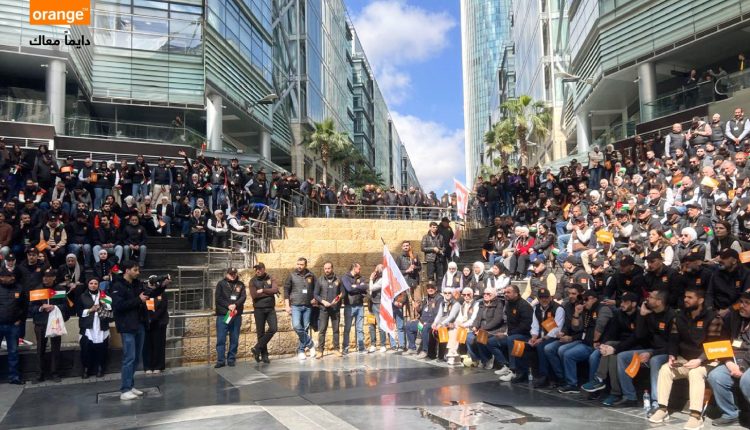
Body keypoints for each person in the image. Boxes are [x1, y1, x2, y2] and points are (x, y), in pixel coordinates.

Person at [649, 288, 722, 429]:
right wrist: (672, 355)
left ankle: (696, 416)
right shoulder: (679, 316)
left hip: (707, 361)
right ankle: (662, 409)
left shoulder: (714, 318)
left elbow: (714, 345)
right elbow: (674, 338)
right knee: (665, 369)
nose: (685, 300)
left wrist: (699, 360)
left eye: (690, 297)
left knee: (695, 373)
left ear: (700, 300)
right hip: (685, 359)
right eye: (685, 297)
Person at [706, 290, 750, 427]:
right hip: (734, 359)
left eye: (747, 303)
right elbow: (723, 341)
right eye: (741, 302)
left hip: (747, 362)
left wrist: (742, 367)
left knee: (747, 380)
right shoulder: (733, 317)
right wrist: (728, 361)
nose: (742, 305)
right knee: (715, 376)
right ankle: (731, 414)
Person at [112, 261, 149, 400]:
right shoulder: (117, 285)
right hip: (127, 325)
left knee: (136, 358)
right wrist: (138, 300)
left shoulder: (137, 284)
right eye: (135, 270)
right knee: (129, 358)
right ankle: (125, 389)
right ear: (127, 270)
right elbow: (119, 305)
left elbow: (147, 295)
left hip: (139, 323)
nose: (138, 272)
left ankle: (130, 384)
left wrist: (161, 286)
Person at [29, 268, 69, 383]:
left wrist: (54, 307)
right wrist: (41, 308)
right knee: (40, 349)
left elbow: (65, 306)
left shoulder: (60, 290)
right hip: (41, 323)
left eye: (48, 277)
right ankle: (39, 374)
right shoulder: (37, 290)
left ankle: (55, 373)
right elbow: (31, 308)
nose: (45, 279)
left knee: (56, 348)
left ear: (54, 278)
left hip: (55, 323)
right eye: (44, 276)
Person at [493, 284, 533, 383]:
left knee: (511, 340)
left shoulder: (524, 306)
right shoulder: (508, 304)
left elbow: (525, 326)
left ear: (516, 293)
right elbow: (509, 323)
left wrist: (507, 334)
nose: (506, 294)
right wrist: (505, 332)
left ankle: (514, 370)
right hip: (512, 333)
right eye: (505, 292)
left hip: (525, 335)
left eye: (508, 292)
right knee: (493, 341)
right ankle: (506, 365)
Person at [527, 287, 565, 388]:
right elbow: (534, 325)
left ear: (550, 297)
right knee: (528, 346)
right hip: (541, 336)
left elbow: (557, 328)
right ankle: (531, 374)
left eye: (546, 297)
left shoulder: (558, 308)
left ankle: (546, 376)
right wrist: (534, 337)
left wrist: (542, 339)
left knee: (542, 347)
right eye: (541, 297)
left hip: (554, 337)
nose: (544, 299)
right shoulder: (536, 308)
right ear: (538, 299)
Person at [77, 278, 112, 379]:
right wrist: (90, 310)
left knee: (102, 349)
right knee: (86, 349)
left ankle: (100, 368)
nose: (93, 285)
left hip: (101, 325)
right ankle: (86, 369)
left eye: (95, 283)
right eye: (91, 283)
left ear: (98, 285)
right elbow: (79, 312)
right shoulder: (82, 296)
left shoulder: (105, 296)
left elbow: (110, 310)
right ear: (88, 284)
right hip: (88, 327)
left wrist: (103, 306)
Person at [0, 255, 26, 385]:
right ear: (1, 277)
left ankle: (14, 377)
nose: (10, 278)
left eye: (11, 276)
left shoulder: (19, 288)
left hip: (13, 325)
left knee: (13, 352)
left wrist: (20, 319)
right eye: (7, 276)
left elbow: (24, 306)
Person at [284, 257, 316, 360]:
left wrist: (315, 298)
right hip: (296, 306)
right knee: (297, 325)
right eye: (298, 264)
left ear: (305, 265)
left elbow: (316, 289)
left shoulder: (311, 275)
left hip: (308, 306)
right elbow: (286, 290)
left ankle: (301, 351)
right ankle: (310, 344)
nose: (299, 266)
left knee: (305, 329)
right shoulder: (292, 275)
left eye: (301, 264)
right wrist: (287, 305)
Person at [466, 286, 505, 369]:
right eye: (484, 293)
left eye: (488, 294)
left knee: (480, 338)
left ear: (494, 295)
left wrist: (483, 329)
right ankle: (477, 359)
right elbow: (478, 318)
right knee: (469, 337)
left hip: (493, 329)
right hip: (481, 328)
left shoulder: (499, 304)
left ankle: (487, 359)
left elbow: (497, 320)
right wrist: (475, 326)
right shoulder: (481, 303)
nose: (485, 295)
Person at [214, 267, 246, 368]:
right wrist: (228, 306)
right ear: (227, 274)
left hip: (235, 315)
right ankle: (221, 360)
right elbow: (218, 298)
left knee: (234, 338)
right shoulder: (221, 284)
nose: (233, 275)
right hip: (224, 314)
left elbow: (243, 297)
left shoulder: (240, 284)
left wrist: (235, 305)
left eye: (234, 273)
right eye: (231, 274)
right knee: (221, 338)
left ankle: (231, 359)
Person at [249, 263, 278, 364]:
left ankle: (257, 348)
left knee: (274, 328)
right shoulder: (252, 281)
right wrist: (269, 292)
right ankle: (264, 355)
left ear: (264, 269)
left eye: (259, 269)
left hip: (270, 309)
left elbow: (275, 290)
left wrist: (263, 290)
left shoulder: (270, 278)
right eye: (256, 269)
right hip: (259, 309)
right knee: (260, 333)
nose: (257, 271)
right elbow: (254, 295)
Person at [313, 261, 343, 358]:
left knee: (336, 330)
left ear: (332, 268)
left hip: (335, 309)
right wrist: (323, 301)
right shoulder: (320, 280)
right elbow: (315, 294)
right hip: (323, 309)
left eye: (329, 268)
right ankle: (320, 351)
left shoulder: (338, 279)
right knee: (322, 330)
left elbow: (342, 293)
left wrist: (336, 299)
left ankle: (336, 349)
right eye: (325, 268)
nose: (327, 270)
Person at [405, 281, 442, 358]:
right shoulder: (426, 298)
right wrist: (417, 308)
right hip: (422, 321)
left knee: (425, 328)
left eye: (432, 287)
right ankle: (412, 348)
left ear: (436, 288)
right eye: (428, 288)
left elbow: (437, 314)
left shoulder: (439, 299)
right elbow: (421, 311)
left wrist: (427, 322)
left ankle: (425, 351)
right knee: (409, 325)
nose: (430, 289)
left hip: (432, 323)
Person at [341, 262, 368, 354]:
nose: (360, 270)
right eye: (359, 268)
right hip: (349, 305)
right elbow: (349, 289)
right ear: (354, 268)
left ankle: (361, 347)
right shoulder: (345, 277)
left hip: (360, 305)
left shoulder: (361, 277)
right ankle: (345, 348)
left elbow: (365, 287)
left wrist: (355, 286)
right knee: (347, 328)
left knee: (360, 328)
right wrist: (359, 288)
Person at [144, 290, 169, 374]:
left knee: (159, 345)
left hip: (160, 323)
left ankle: (158, 366)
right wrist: (150, 319)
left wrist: (154, 318)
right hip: (149, 323)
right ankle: (148, 366)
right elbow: (149, 307)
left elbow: (163, 308)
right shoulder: (148, 293)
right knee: (148, 345)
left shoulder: (162, 294)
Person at [367, 264, 387, 353]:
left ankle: (383, 345)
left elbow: (371, 288)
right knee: (371, 325)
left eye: (376, 270)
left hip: (378, 304)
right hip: (371, 305)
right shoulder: (375, 279)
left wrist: (371, 279)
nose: (374, 271)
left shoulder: (382, 279)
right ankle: (373, 345)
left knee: (380, 325)